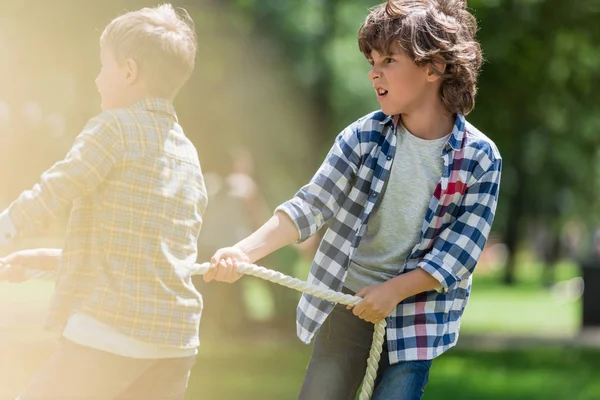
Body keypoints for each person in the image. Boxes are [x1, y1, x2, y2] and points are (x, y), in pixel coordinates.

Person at [204, 0, 502, 398]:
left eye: (389, 60)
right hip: (346, 303)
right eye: (372, 61)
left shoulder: (481, 159)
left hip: (415, 317)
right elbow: (310, 206)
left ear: (433, 67)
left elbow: (458, 256)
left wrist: (394, 291)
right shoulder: (362, 138)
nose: (373, 72)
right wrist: (242, 252)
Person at [0, 4, 207, 399]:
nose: (96, 80)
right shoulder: (187, 155)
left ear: (129, 71)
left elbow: (57, 188)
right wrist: (47, 259)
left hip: (111, 332)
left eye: (102, 67)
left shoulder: (114, 127)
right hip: (175, 343)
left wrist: (5, 228)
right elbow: (147, 251)